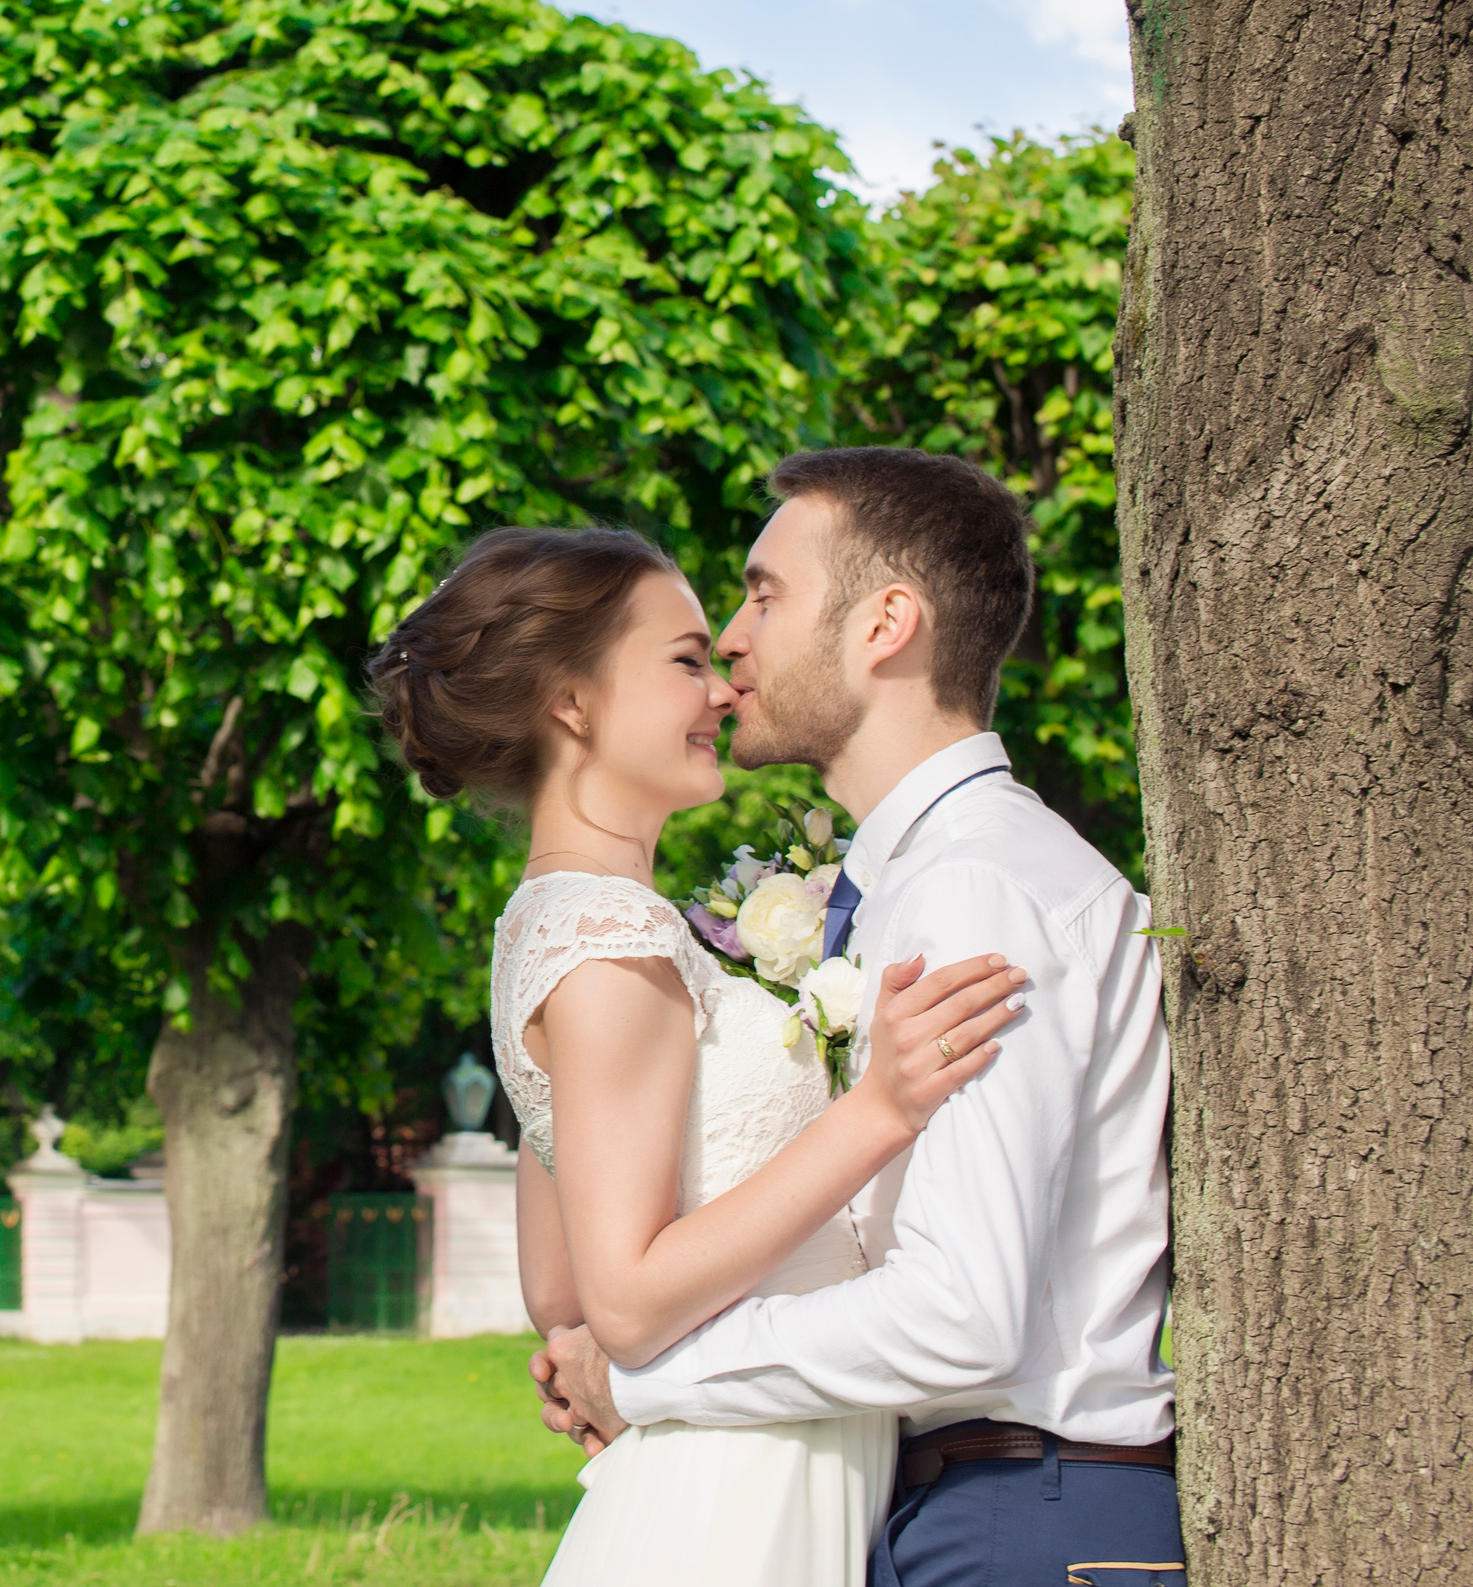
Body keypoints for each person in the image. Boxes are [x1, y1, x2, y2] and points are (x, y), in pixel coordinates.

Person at [532, 448, 1182, 1586]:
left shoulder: (977, 891)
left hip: (1021, 1520)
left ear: (886, 623)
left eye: (765, 595)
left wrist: (653, 1379)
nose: (732, 640)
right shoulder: (917, 881)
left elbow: (959, 1313)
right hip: (964, 1505)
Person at [368, 522, 1028, 1585]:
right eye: (683, 661)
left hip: (741, 1455)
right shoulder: (612, 945)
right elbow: (625, 1302)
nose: (721, 691)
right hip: (744, 1483)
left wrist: (582, 1358)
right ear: (571, 702)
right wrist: (880, 1109)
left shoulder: (552, 923)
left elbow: (560, 1291)